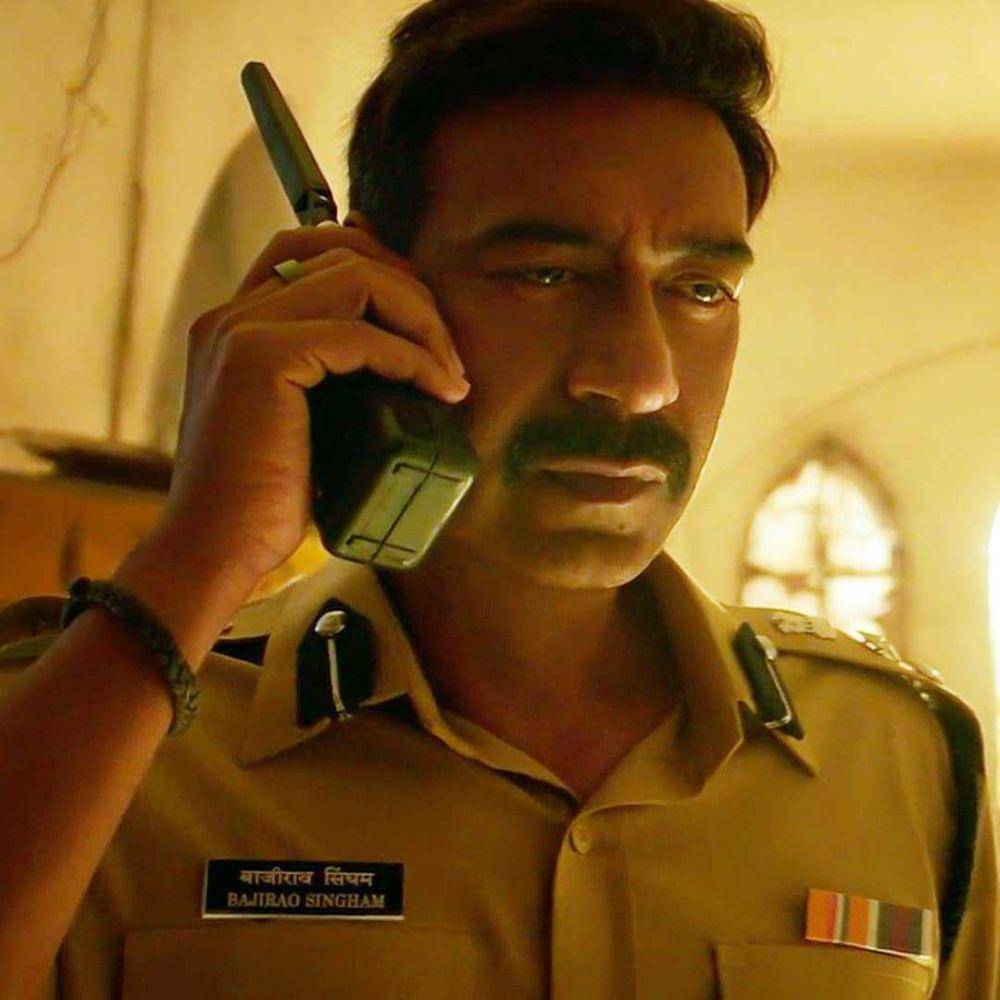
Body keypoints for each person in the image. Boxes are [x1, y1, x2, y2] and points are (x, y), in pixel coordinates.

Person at [0, 0, 995, 996]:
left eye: (699, 288)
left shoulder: (904, 759)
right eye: (545, 274)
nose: (641, 379)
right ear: (364, 291)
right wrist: (201, 554)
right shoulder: (110, 733)